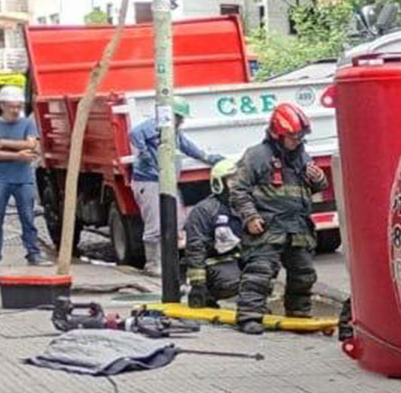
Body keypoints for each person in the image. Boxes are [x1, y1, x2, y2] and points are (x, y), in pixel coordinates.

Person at [226, 103, 326, 334]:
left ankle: (299, 315)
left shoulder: (301, 156)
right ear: (277, 134)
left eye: (301, 135)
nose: (298, 140)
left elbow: (312, 188)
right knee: (260, 272)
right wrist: (250, 217)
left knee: (304, 274)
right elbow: (238, 190)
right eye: (293, 136)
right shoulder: (257, 156)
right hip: (268, 227)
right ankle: (250, 316)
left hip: (298, 227)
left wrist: (318, 180)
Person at [129, 95, 219, 272]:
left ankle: (170, 263)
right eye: (180, 117)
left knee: (178, 222)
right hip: (149, 182)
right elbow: (134, 134)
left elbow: (187, 146)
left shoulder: (173, 131)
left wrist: (207, 157)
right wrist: (145, 152)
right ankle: (153, 264)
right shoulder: (153, 127)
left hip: (167, 181)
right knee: (155, 226)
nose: (182, 121)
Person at [0, 85, 44, 267]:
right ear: (2, 105)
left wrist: (4, 143)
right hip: (1, 178)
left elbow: (32, 145)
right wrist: (18, 154)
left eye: (18, 106)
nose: (15, 110)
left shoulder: (27, 123)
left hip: (24, 178)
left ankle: (33, 253)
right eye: (12, 106)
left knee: (28, 217)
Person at [181, 156, 245, 308]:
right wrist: (198, 285)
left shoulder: (245, 207)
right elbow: (196, 248)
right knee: (232, 282)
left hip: (238, 259)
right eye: (231, 181)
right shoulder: (205, 211)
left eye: (239, 181)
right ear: (219, 184)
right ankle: (207, 295)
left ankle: (250, 303)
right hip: (214, 263)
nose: (236, 185)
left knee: (262, 274)